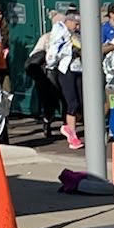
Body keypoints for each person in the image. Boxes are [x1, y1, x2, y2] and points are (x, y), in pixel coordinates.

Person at [45, 9, 83, 150]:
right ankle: (72, 134)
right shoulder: (61, 32)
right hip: (66, 69)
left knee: (81, 103)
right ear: (69, 21)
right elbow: (55, 50)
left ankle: (69, 127)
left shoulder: (77, 34)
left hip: (78, 68)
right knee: (72, 102)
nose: (77, 27)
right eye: (76, 24)